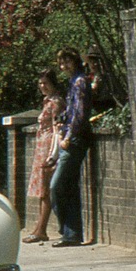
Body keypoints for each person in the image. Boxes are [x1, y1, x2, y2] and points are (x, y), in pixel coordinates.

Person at [50, 46, 92, 248]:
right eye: (61, 62)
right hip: (71, 136)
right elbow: (71, 111)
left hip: (75, 140)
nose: (63, 65)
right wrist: (61, 120)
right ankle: (72, 234)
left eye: (66, 61)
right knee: (69, 187)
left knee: (56, 186)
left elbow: (80, 114)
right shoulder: (73, 82)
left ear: (74, 61)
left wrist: (68, 135)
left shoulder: (80, 82)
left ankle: (67, 231)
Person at [23, 69, 65, 244]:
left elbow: (58, 129)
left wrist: (53, 154)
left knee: (46, 189)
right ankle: (39, 228)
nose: (42, 86)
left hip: (48, 148)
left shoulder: (56, 102)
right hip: (42, 146)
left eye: (45, 83)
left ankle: (41, 229)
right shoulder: (46, 101)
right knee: (42, 190)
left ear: (53, 83)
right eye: (40, 83)